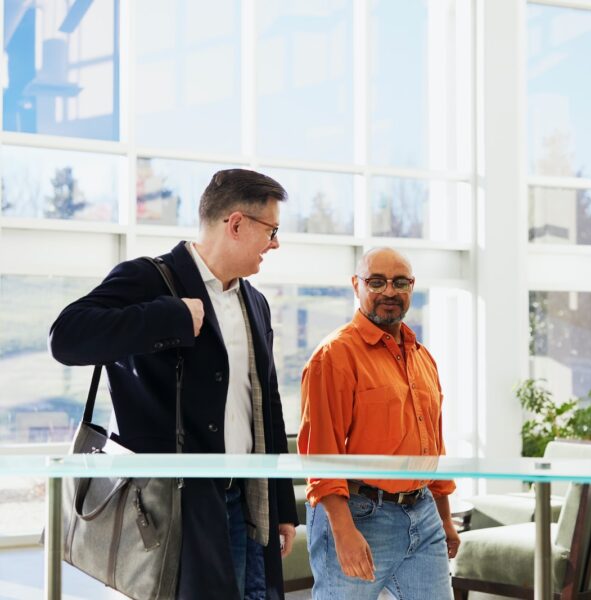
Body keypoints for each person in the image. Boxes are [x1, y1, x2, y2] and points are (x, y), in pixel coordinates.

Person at [49, 168, 298, 600]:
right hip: (174, 506)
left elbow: (266, 404)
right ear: (236, 224)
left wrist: (280, 507)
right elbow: (67, 337)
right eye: (271, 230)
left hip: (244, 500)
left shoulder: (254, 302)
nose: (275, 243)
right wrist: (171, 317)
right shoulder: (148, 278)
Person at [297, 247, 460, 600]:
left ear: (412, 287)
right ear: (356, 285)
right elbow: (320, 453)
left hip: (423, 513)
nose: (389, 291)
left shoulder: (421, 356)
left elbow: (433, 443)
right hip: (359, 515)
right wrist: (342, 531)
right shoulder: (334, 356)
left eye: (400, 282)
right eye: (377, 282)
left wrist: (444, 516)